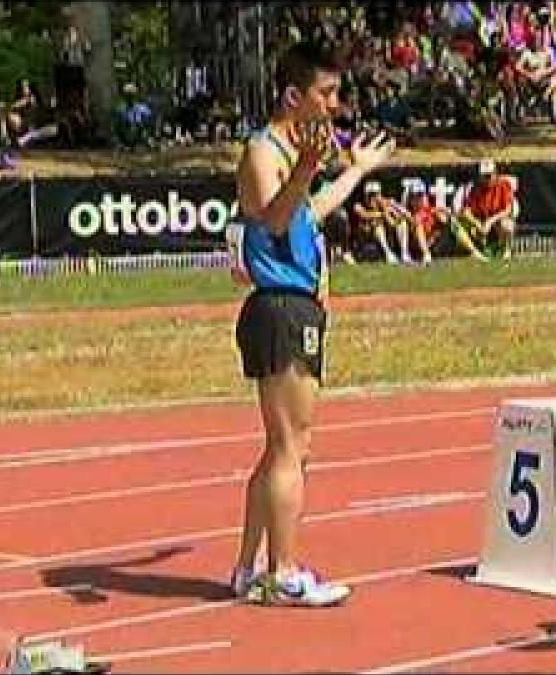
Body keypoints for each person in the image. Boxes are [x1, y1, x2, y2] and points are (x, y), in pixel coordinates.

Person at [231, 39, 396, 607]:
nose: (334, 105)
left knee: (285, 447)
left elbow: (307, 213)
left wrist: (355, 172)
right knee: (291, 448)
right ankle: (281, 571)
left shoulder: (290, 154)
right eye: (325, 94)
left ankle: (250, 567)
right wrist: (305, 165)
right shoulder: (262, 152)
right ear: (292, 96)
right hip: (280, 305)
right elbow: (273, 218)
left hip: (296, 305)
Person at [452, 159, 518, 260]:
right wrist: (477, 223)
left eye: (489, 175)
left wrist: (490, 222)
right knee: (455, 225)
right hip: (480, 223)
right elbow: (466, 211)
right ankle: (476, 253)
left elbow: (508, 209)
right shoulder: (475, 188)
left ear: (495, 173)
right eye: (484, 176)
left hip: (496, 223)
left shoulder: (504, 184)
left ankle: (506, 250)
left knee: (507, 225)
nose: (487, 179)